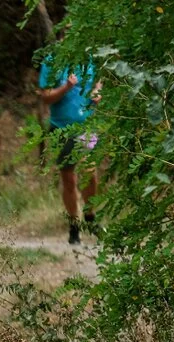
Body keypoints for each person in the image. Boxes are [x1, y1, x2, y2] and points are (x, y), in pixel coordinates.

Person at [39, 56, 100, 244]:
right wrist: (66, 87)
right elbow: (46, 96)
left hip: (87, 126)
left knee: (89, 171)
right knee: (68, 177)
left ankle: (90, 217)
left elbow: (99, 80)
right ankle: (74, 226)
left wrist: (98, 92)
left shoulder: (90, 58)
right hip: (61, 127)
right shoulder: (51, 62)